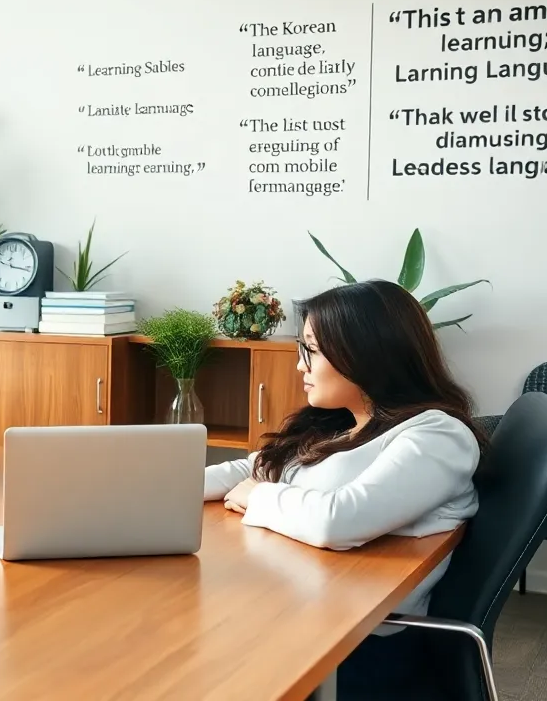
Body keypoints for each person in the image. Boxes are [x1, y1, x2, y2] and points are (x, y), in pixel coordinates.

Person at [203, 279, 486, 697]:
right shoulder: (342, 422)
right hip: (298, 609)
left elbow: (340, 519)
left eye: (311, 352)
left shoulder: (437, 436)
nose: (300, 365)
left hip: (356, 645)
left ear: (366, 355)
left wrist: (256, 496)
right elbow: (257, 466)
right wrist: (161, 486)